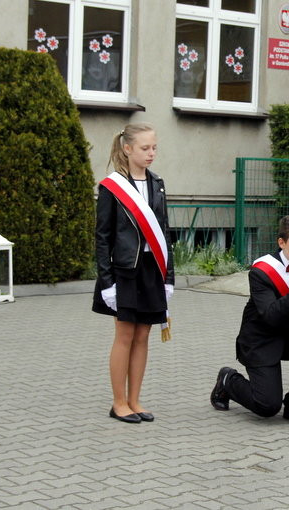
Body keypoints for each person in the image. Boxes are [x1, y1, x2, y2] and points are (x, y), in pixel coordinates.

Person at [93, 123, 175, 424]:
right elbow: (102, 237)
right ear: (127, 149)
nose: (151, 153)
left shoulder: (157, 183)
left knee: (144, 335)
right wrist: (107, 282)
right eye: (145, 148)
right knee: (125, 335)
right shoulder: (111, 187)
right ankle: (118, 403)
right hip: (125, 271)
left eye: (154, 147)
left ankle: (135, 400)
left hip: (152, 270)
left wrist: (169, 278)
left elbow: (164, 233)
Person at [210, 214, 289, 424]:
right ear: (281, 243)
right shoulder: (261, 271)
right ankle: (228, 380)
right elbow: (271, 315)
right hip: (261, 338)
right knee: (267, 407)